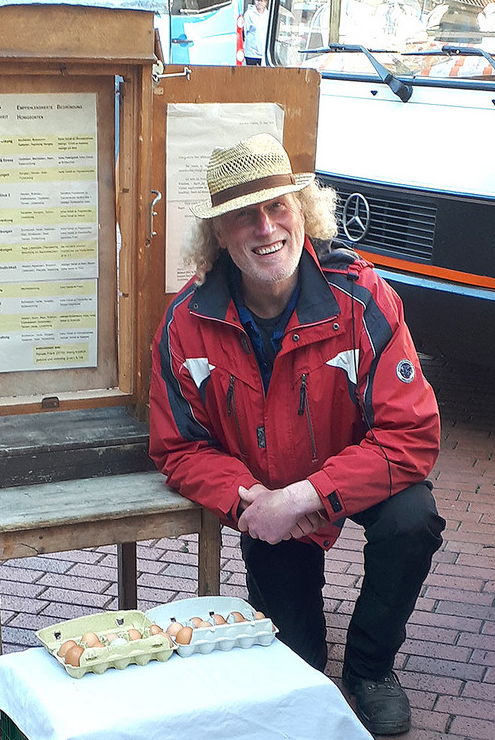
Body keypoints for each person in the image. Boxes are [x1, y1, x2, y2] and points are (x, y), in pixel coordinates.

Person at [149, 133, 445, 736]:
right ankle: (314, 654)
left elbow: (411, 433)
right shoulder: (185, 323)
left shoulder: (363, 300)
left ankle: (371, 668)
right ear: (219, 236)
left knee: (413, 518)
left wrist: (310, 494)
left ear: (303, 212)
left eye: (277, 207)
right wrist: (250, 502)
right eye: (242, 216)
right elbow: (177, 446)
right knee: (299, 672)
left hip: (352, 475)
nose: (265, 228)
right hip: (265, 495)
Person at [243, 0, 269, 65]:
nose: (259, 3)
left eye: (261, 1)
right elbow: (244, 31)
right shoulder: (249, 14)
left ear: (265, 3)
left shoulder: (268, 15)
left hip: (263, 52)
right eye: (257, 0)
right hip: (251, 52)